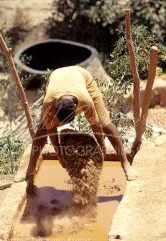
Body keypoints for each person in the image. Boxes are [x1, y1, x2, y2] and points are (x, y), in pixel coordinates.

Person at [26, 66, 131, 196]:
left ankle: (125, 163)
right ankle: (31, 168)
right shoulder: (49, 102)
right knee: (42, 128)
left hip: (82, 77)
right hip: (56, 77)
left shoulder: (85, 100)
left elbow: (96, 125)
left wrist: (102, 147)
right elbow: (51, 129)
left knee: (105, 122)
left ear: (76, 107)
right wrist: (59, 154)